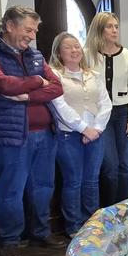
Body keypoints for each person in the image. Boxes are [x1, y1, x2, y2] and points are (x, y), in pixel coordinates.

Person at [0, 6, 65, 256]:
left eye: (34, 30)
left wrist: (28, 94)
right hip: (9, 136)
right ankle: (10, 241)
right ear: (10, 26)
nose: (32, 36)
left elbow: (57, 87)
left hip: (45, 134)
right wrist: (37, 81)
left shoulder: (34, 54)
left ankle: (40, 233)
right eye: (28, 30)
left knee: (43, 187)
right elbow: (2, 84)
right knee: (11, 190)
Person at [49, 33, 112, 236]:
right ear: (59, 51)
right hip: (69, 136)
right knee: (73, 181)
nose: (75, 50)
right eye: (68, 47)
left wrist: (97, 129)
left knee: (91, 180)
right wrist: (84, 129)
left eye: (77, 46)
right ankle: (74, 226)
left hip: (96, 134)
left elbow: (105, 103)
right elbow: (60, 106)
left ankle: (91, 223)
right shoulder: (54, 74)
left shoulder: (93, 74)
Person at [83, 12, 128, 205]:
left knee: (125, 164)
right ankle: (108, 208)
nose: (114, 30)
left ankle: (124, 208)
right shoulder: (87, 54)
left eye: (116, 26)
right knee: (110, 165)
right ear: (99, 29)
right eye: (109, 26)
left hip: (123, 112)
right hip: (100, 115)